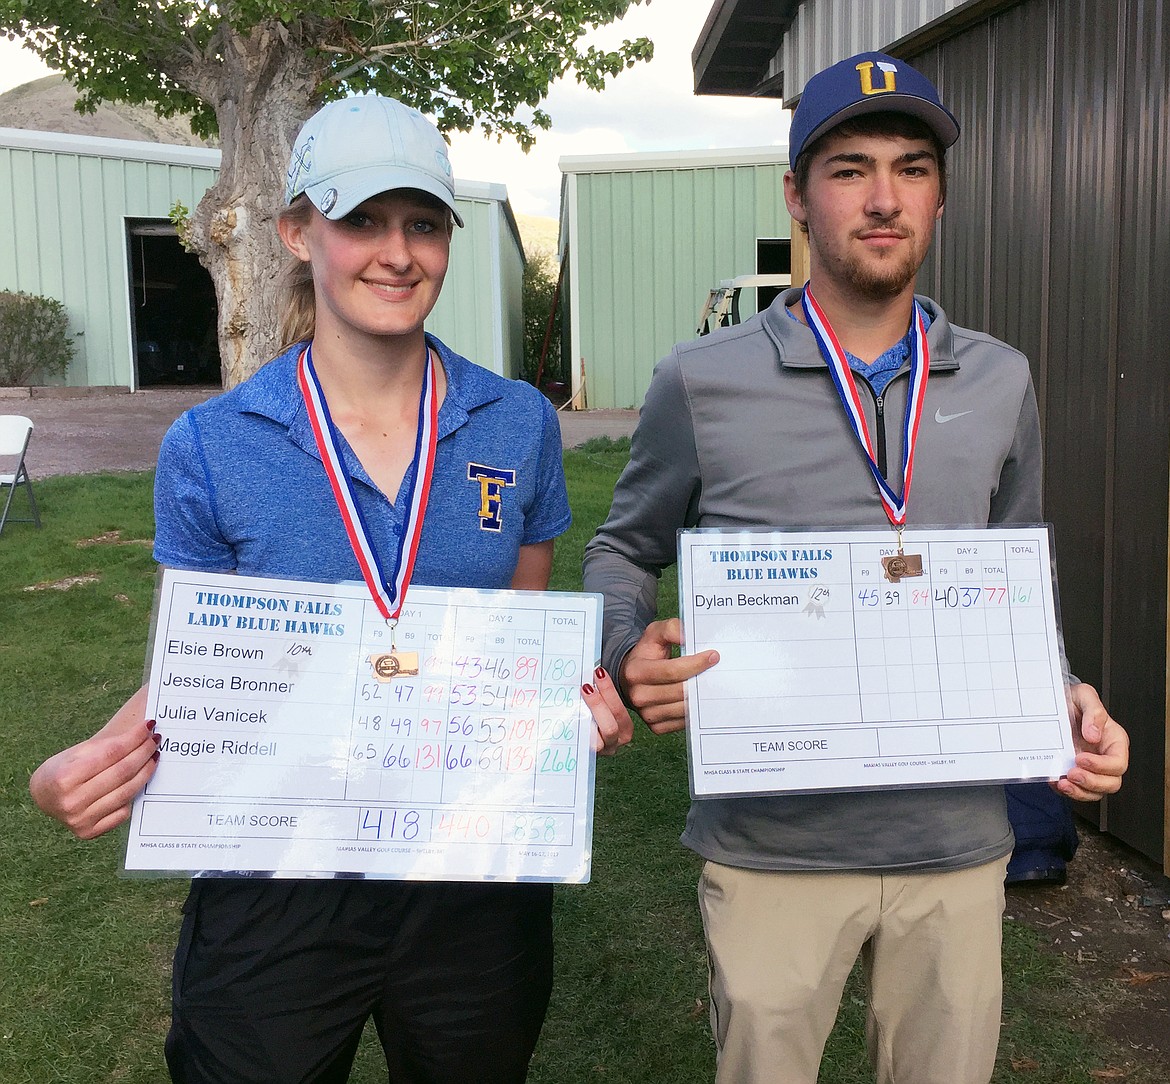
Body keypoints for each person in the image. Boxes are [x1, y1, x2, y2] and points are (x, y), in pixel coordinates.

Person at [30, 94, 632, 1083]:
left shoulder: (516, 423)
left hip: (466, 867)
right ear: (298, 231)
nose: (398, 253)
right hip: (276, 864)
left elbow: (518, 640)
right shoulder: (214, 446)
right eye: (362, 219)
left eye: (424, 222)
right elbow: (204, 671)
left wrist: (572, 706)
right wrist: (91, 756)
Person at [582, 53, 1129, 1084]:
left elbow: (1013, 574)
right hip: (771, 851)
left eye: (911, 168)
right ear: (796, 193)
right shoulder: (702, 380)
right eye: (849, 168)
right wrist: (623, 646)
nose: (883, 198)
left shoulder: (1001, 378)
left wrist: (1058, 691)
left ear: (939, 193)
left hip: (959, 848)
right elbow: (624, 544)